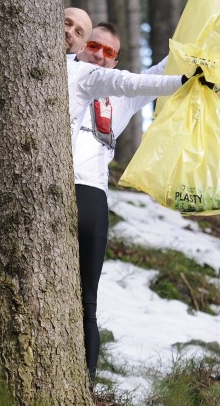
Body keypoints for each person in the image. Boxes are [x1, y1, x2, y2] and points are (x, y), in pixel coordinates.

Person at [69, 21, 169, 383]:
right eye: (94, 45)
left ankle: (86, 384)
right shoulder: (58, 73)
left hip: (93, 195)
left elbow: (163, 70)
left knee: (87, 302)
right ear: (81, 44)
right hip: (51, 187)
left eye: (109, 52)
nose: (99, 54)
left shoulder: (123, 95)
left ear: (116, 61)